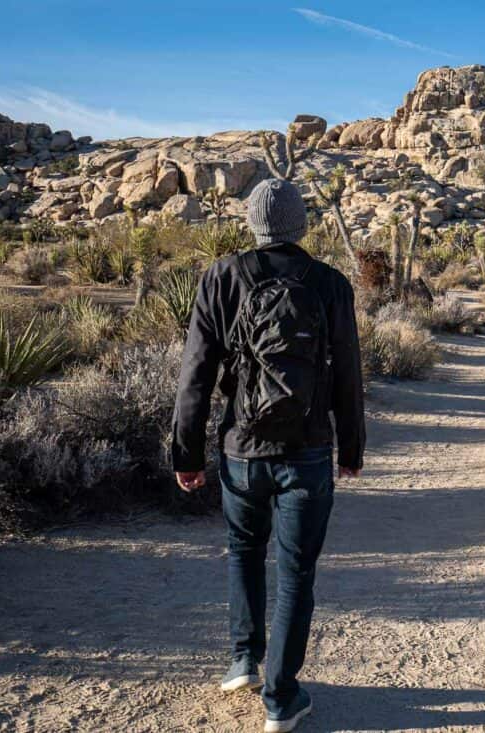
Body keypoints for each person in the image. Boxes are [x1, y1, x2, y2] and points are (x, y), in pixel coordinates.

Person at [171, 178, 365, 732]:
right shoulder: (329, 283)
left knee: (242, 550)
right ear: (302, 224)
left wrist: (186, 452)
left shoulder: (221, 276)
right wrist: (350, 447)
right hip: (307, 451)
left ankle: (242, 660)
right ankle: (281, 699)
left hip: (240, 450)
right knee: (297, 571)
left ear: (253, 223)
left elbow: (197, 373)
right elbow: (348, 374)